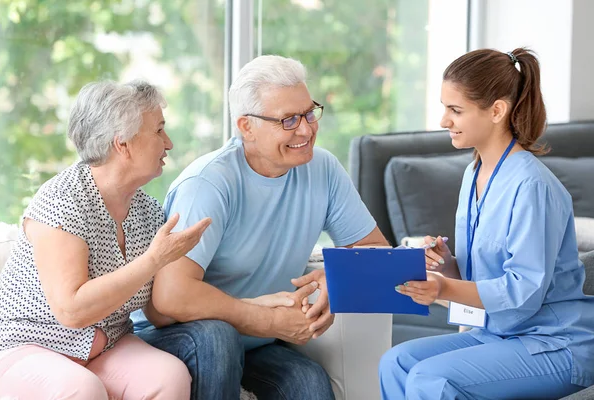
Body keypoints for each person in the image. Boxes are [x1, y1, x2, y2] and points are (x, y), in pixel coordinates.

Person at [131, 55, 390, 399]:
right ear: (246, 127)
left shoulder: (323, 169)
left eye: (310, 113)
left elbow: (378, 254)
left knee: (308, 384)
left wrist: (339, 277)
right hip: (181, 336)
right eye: (288, 120)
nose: (306, 129)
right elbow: (170, 297)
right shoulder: (209, 184)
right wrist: (266, 321)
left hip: (254, 343)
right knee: (217, 339)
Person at [379, 48, 594, 399]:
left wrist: (443, 289)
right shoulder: (474, 173)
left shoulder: (533, 186)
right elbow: (478, 274)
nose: (443, 120)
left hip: (554, 343)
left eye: (455, 110)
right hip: (499, 334)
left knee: (432, 379)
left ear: (496, 110)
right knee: (396, 363)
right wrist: (446, 263)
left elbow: (522, 292)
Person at [0, 80, 212, 399]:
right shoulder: (62, 200)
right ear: (122, 143)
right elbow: (72, 311)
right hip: (26, 347)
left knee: (169, 376)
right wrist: (154, 259)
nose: (169, 143)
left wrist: (231, 297)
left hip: (106, 347)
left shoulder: (148, 211)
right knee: (81, 389)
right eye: (158, 131)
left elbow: (158, 312)